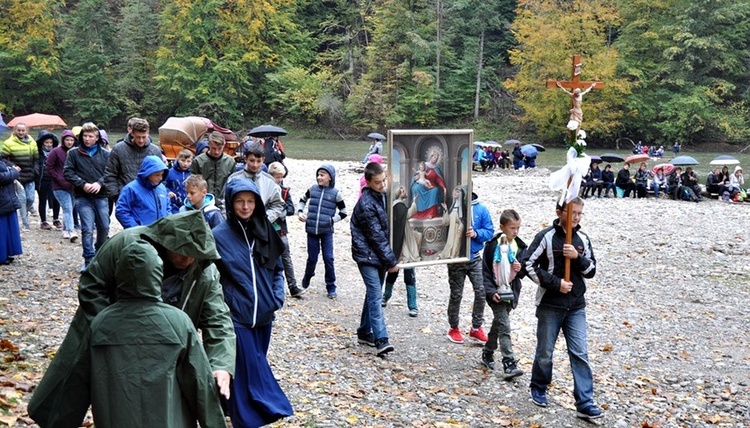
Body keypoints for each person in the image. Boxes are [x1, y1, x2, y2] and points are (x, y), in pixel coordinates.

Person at [28, 211, 236, 428]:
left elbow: (218, 319)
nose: (188, 260)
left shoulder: (205, 271)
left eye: (194, 255)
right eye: (182, 253)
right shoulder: (125, 244)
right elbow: (91, 284)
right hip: (113, 338)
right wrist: (115, 326)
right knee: (105, 396)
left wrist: (221, 364)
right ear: (166, 242)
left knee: (168, 404)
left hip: (170, 344)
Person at [77, 240, 227, 428]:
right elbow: (200, 383)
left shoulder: (101, 323)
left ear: (119, 274)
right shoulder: (179, 322)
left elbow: (76, 381)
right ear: (157, 273)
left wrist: (58, 418)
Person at [212, 178, 293, 427]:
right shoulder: (218, 236)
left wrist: (277, 296)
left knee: (249, 364)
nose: (245, 207)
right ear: (230, 203)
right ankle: (249, 419)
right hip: (236, 316)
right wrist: (224, 305)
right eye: (239, 201)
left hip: (265, 314)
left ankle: (222, 403)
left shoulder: (265, 231)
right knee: (251, 368)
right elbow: (211, 277)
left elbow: (277, 268)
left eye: (250, 201)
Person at [524, 197, 603, 420]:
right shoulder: (546, 237)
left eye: (580, 213)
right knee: (545, 352)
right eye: (573, 213)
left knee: (580, 352)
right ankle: (539, 386)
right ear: (560, 212)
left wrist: (577, 258)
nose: (576, 217)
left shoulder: (582, 239)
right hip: (551, 304)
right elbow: (528, 263)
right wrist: (556, 283)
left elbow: (591, 270)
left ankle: (585, 402)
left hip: (576, 305)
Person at [351, 162, 398, 356]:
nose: (382, 185)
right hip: (367, 255)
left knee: (372, 293)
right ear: (368, 182)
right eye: (378, 182)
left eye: (384, 180)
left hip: (377, 255)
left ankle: (363, 332)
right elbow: (376, 236)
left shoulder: (382, 196)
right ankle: (381, 339)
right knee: (376, 295)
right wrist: (392, 262)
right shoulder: (366, 204)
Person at [481, 209, 527, 380]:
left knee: (499, 324)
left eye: (518, 228)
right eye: (512, 228)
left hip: (511, 292)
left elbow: (524, 271)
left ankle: (487, 352)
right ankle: (509, 362)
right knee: (505, 326)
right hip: (496, 292)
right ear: (502, 227)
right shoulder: (492, 246)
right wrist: (491, 291)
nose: (515, 232)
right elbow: (485, 271)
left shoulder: (520, 246)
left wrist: (519, 269)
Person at [446, 191, 494, 345]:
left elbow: (490, 232)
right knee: (456, 294)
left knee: (481, 291)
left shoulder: (481, 209)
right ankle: (453, 327)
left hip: (474, 257)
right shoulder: (450, 206)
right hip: (455, 258)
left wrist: (476, 233)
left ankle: (476, 327)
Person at [63, 123, 110, 271]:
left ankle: (99, 252)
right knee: (87, 228)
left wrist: (99, 183)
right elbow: (68, 172)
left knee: (104, 226)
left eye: (91, 136)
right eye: (85, 136)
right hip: (82, 196)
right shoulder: (74, 153)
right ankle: (88, 258)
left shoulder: (106, 154)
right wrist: (82, 184)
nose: (87, 139)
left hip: (101, 195)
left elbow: (110, 172)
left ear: (97, 138)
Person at [297, 164, 347, 298]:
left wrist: (332, 220)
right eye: (318, 175)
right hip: (311, 230)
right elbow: (302, 200)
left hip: (326, 231)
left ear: (330, 177)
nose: (319, 177)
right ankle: (307, 277)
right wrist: (300, 212)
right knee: (312, 258)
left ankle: (331, 286)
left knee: (328, 258)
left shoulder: (336, 194)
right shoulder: (312, 189)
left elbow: (344, 212)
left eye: (322, 175)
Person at [103, 117, 162, 206]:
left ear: (148, 133)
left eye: (144, 137)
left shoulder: (155, 151)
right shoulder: (118, 149)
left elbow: (162, 175)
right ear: (131, 133)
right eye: (138, 137)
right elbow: (110, 175)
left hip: (149, 198)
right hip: (125, 197)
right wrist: (116, 196)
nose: (141, 140)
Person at [268, 161, 304, 298]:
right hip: (267, 230)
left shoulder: (285, 191)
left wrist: (282, 212)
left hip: (281, 230)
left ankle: (293, 286)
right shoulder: (265, 190)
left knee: (286, 258)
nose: (279, 180)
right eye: (277, 177)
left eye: (281, 177)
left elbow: (291, 209)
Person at [227, 142, 285, 224]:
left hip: (261, 225)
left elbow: (278, 204)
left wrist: (265, 220)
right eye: (252, 161)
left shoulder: (270, 181)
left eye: (258, 161)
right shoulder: (233, 179)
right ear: (245, 159)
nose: (255, 165)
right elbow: (224, 202)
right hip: (237, 224)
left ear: (263, 160)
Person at [382, 185, 418, 317]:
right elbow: (409, 214)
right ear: (398, 193)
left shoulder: (395, 205)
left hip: (400, 239)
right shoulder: (398, 205)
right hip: (402, 242)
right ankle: (410, 305)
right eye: (402, 190)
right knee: (402, 271)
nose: (404, 192)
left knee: (401, 272)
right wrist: (414, 202)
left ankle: (387, 297)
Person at [115, 155, 169, 229]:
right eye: (157, 175)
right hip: (140, 234)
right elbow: (121, 211)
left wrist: (168, 223)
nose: (160, 178)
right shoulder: (131, 189)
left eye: (162, 174)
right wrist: (135, 228)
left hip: (160, 233)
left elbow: (168, 207)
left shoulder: (162, 188)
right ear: (148, 173)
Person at [2, 123, 38, 230]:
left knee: (30, 199)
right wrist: (12, 166)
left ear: (27, 131)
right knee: (22, 199)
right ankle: (25, 223)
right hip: (18, 176)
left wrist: (36, 171)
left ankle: (25, 212)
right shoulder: (9, 143)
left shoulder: (32, 142)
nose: (21, 132)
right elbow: (2, 158)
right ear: (15, 130)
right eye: (19, 130)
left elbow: (36, 158)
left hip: (30, 174)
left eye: (23, 130)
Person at [190, 131, 236, 213]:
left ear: (224, 145)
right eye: (213, 148)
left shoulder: (230, 162)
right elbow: (192, 184)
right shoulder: (198, 161)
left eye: (220, 148)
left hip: (224, 204)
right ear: (209, 144)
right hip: (203, 203)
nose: (217, 152)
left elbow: (233, 184)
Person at [46, 130, 78, 242]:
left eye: (72, 140)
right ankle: (71, 231)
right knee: (67, 208)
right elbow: (49, 167)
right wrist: (59, 178)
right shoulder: (55, 151)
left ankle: (65, 229)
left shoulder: (76, 152)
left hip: (74, 186)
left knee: (69, 208)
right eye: (67, 140)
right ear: (63, 140)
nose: (69, 142)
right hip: (59, 186)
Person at [410, 148, 447, 219]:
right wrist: (415, 178)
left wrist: (444, 187)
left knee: (435, 191)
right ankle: (417, 212)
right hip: (421, 184)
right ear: (431, 156)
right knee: (416, 187)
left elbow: (439, 180)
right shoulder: (424, 165)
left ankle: (431, 213)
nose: (435, 159)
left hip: (431, 187)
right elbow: (417, 174)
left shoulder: (436, 169)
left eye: (437, 158)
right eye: (434, 157)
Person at [35, 130, 61, 230]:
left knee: (56, 199)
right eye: (46, 142)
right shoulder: (38, 153)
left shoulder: (56, 152)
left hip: (53, 178)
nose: (49, 145)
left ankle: (56, 218)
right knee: (42, 200)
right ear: (42, 143)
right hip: (42, 179)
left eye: (50, 142)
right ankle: (43, 221)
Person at [0, 157, 23, 264]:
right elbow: (2, 178)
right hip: (2, 200)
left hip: (7, 198)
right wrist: (14, 172)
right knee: (2, 229)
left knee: (8, 228)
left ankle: (7, 253)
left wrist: (11, 169)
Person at [439, 186, 467, 260]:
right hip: (451, 230)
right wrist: (445, 210)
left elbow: (464, 220)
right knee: (449, 244)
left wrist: (461, 228)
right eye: (455, 191)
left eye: (457, 192)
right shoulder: (452, 206)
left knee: (456, 244)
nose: (455, 193)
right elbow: (447, 222)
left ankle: (454, 255)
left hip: (458, 230)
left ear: (461, 194)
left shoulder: (463, 208)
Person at [165, 149, 193, 214]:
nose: (185, 164)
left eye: (188, 161)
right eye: (182, 160)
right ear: (178, 159)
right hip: (173, 205)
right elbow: (163, 185)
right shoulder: (170, 172)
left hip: (189, 205)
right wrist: (168, 192)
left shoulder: (192, 174)